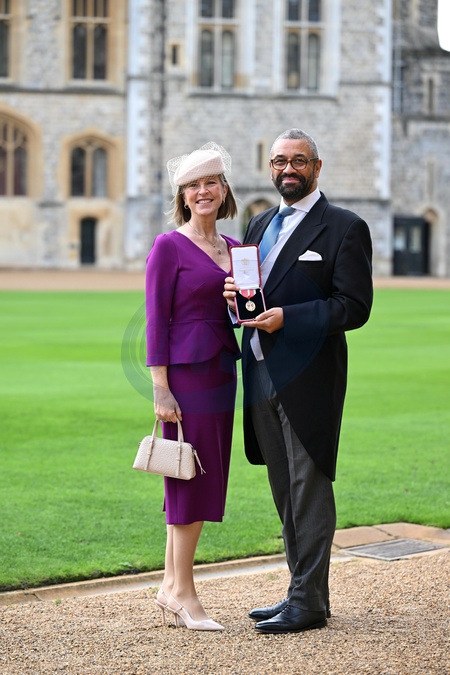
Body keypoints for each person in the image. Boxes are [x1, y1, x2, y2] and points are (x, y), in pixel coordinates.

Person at [224, 128, 373, 634]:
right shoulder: (260, 222)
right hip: (259, 369)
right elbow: (256, 290)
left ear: (317, 167)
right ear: (270, 167)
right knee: (284, 487)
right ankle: (302, 592)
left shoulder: (345, 227)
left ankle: (307, 604)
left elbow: (353, 307)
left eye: (299, 161)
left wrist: (288, 317)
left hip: (310, 376)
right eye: (279, 161)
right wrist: (237, 296)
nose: (288, 169)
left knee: (308, 486)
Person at [145, 142, 241, 631]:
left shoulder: (239, 250)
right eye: (193, 186)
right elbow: (155, 320)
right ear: (182, 196)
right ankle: (184, 592)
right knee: (190, 477)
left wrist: (241, 305)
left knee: (198, 472)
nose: (203, 192)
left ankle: (169, 586)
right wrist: (160, 388)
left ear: (224, 190)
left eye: (211, 183)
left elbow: (247, 314)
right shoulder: (169, 246)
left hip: (222, 372)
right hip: (185, 378)